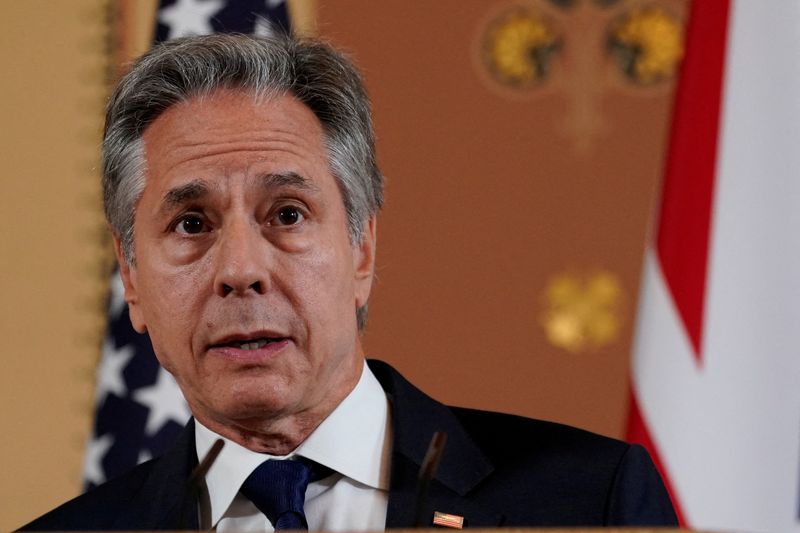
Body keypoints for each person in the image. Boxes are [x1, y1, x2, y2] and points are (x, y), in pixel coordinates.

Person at [21, 33, 677, 531]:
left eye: (287, 213)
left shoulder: (591, 500)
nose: (241, 270)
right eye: (191, 223)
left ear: (361, 246)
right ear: (132, 276)